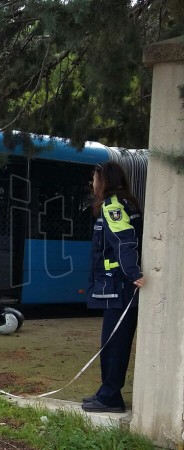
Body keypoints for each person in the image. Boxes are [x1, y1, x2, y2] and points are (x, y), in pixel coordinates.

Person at [82, 161, 145, 413]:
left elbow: (123, 240)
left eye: (95, 179)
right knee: (113, 343)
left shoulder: (112, 206)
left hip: (118, 286)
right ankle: (106, 391)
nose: (92, 183)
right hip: (119, 286)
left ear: (105, 181)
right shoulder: (127, 203)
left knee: (114, 344)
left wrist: (132, 273)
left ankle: (110, 397)